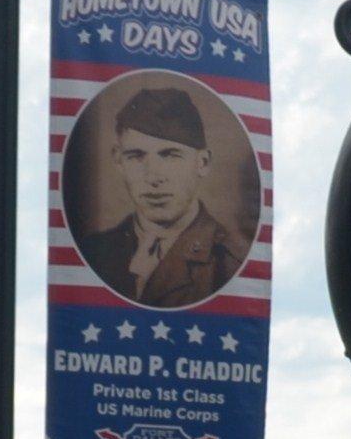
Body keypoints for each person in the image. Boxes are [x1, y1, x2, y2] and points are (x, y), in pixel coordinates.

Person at [76, 83, 247, 307]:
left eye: (170, 155)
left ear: (202, 162)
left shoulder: (230, 263)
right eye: (136, 156)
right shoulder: (91, 252)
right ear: (118, 161)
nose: (154, 178)